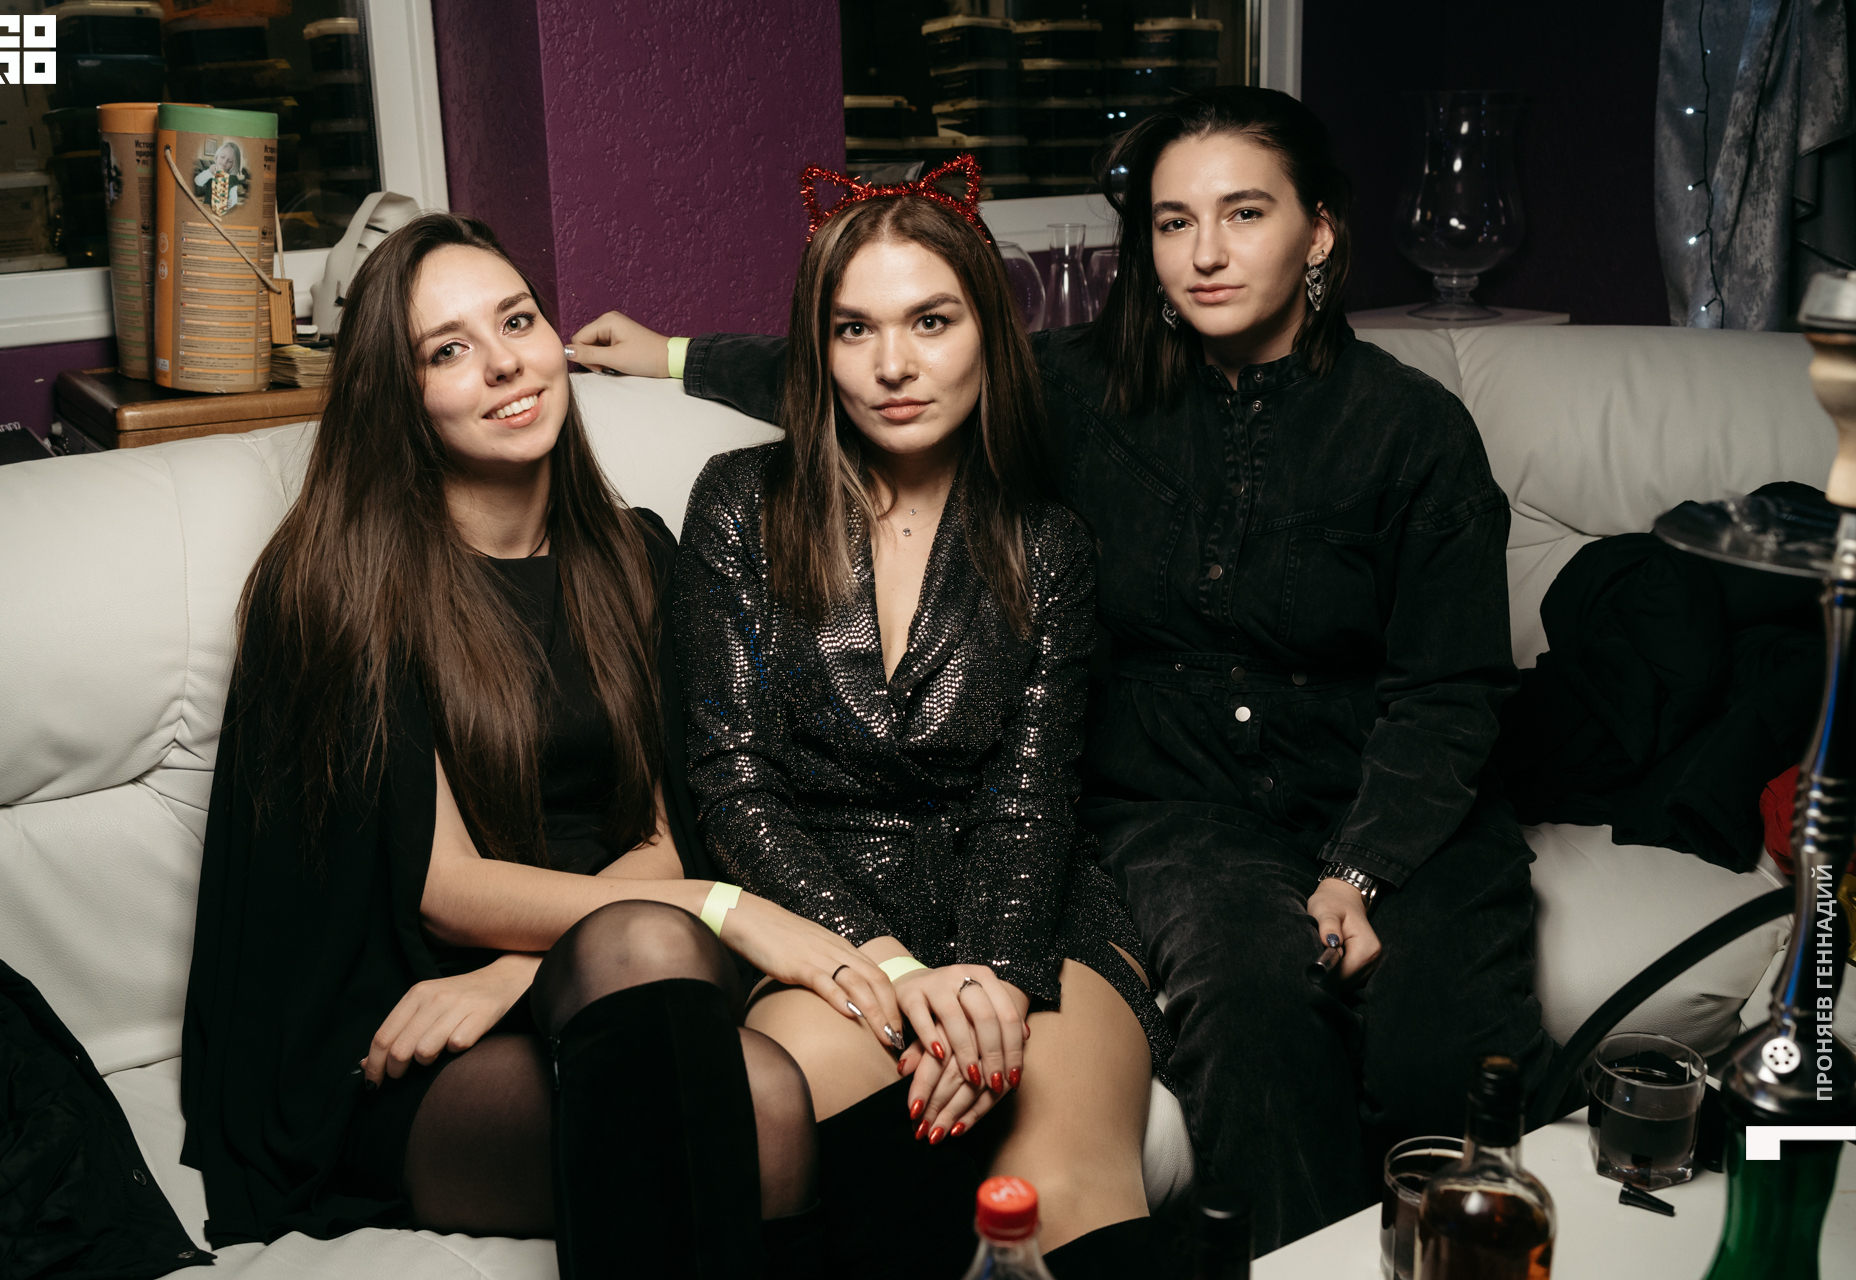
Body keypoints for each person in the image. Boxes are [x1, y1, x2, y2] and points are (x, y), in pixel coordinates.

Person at [571, 88, 1557, 1254]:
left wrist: (1361, 868)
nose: (1207, 251)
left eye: (1245, 213)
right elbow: (876, 359)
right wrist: (672, 354)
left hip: (1362, 801)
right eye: (1175, 221)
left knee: (1444, 1052)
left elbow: (1444, 692)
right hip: (1172, 817)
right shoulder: (1079, 387)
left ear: (1320, 230)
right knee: (1254, 1014)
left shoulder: (1406, 433)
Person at [179, 212, 907, 1278]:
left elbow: (662, 839)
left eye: (516, 320)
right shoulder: (338, 587)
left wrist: (526, 970)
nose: (505, 362)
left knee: (699, 1004)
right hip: (422, 1017)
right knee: (747, 1099)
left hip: (604, 966)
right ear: (399, 396)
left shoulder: (634, 553)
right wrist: (724, 907)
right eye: (448, 349)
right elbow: (442, 887)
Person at [577, 162, 1174, 1279]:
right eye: (855, 329)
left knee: (1059, 1201)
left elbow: (1031, 800)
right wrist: (896, 969)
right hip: (836, 924)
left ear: (988, 334)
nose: (893, 364)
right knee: (786, 1139)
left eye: (930, 321)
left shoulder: (1049, 543)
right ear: (819, 350)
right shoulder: (738, 502)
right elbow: (732, 783)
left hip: (1029, 915)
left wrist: (991, 977)